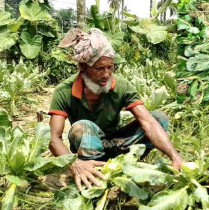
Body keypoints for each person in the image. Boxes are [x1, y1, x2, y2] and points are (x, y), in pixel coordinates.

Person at [48, 28, 183, 191]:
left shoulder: (121, 86)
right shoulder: (64, 91)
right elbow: (54, 139)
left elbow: (148, 122)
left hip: (117, 143)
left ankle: (130, 163)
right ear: (83, 67)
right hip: (87, 147)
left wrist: (175, 157)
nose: (106, 74)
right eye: (99, 68)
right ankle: (94, 175)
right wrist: (75, 164)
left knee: (159, 118)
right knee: (81, 127)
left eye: (110, 67)